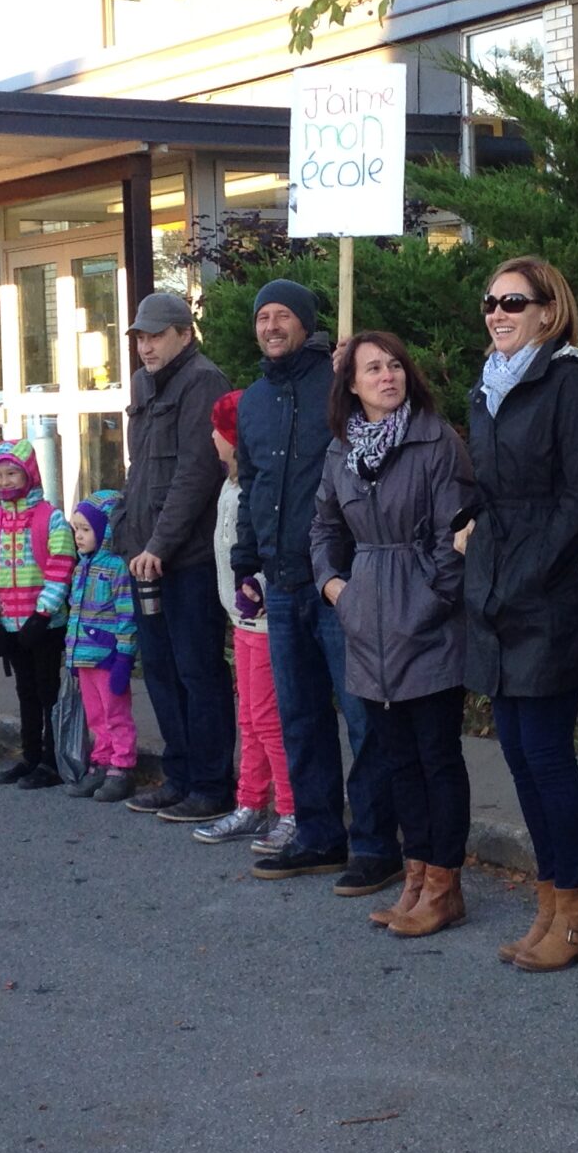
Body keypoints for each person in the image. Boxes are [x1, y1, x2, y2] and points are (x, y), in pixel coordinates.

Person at [461, 256, 578, 971]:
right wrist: (470, 534)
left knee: (549, 755)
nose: (498, 313)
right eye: (491, 302)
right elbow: (490, 491)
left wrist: (526, 575)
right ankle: (551, 904)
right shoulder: (487, 388)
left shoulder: (570, 383)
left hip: (551, 595)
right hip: (498, 589)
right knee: (519, 754)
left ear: (548, 313)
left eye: (513, 302)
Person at [313, 332, 479, 937]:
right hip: (367, 624)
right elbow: (323, 528)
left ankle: (444, 885)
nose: (388, 376)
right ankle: (415, 877)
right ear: (352, 385)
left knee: (437, 757)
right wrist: (336, 588)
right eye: (373, 369)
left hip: (427, 624)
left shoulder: (436, 441)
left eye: (395, 366)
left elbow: (454, 537)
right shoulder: (341, 450)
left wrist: (430, 603)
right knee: (397, 760)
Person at [237, 280, 398, 887]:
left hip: (340, 581)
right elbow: (251, 484)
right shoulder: (253, 401)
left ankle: (377, 845)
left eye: (283, 315)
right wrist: (245, 560)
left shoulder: (338, 386)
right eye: (263, 317)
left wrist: (354, 368)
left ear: (306, 323)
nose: (272, 326)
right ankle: (319, 835)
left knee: (363, 718)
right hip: (279, 583)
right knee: (300, 718)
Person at [115, 292, 236, 822]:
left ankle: (211, 785)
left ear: (185, 335)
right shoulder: (143, 383)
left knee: (197, 671)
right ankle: (180, 776)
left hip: (188, 559)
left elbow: (196, 473)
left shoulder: (203, 380)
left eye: (156, 336)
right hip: (143, 555)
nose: (146, 347)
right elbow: (138, 467)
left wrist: (158, 546)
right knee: (161, 671)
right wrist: (125, 532)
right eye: (140, 337)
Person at [199, 392, 293, 843]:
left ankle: (290, 810)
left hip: (263, 620)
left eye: (217, 430)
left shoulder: (254, 491)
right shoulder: (230, 485)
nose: (211, 438)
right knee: (250, 720)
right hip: (241, 621)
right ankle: (251, 802)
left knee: (269, 720)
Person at [0, 439, 76, 787]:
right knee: (25, 690)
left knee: (48, 690)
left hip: (45, 625)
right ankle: (30, 756)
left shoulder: (51, 518)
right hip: (9, 624)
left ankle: (52, 759)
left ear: (29, 473)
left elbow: (61, 567)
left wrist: (43, 614)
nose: (5, 481)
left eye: (12, 473)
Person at [64, 491, 141, 802]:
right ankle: (102, 761)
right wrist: (71, 655)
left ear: (105, 530)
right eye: (76, 529)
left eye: (86, 529)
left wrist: (124, 657)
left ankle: (122, 766)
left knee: (116, 714)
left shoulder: (116, 568)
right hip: (84, 657)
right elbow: (75, 612)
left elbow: (126, 614)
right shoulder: (81, 567)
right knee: (96, 715)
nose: (79, 536)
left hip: (107, 658)